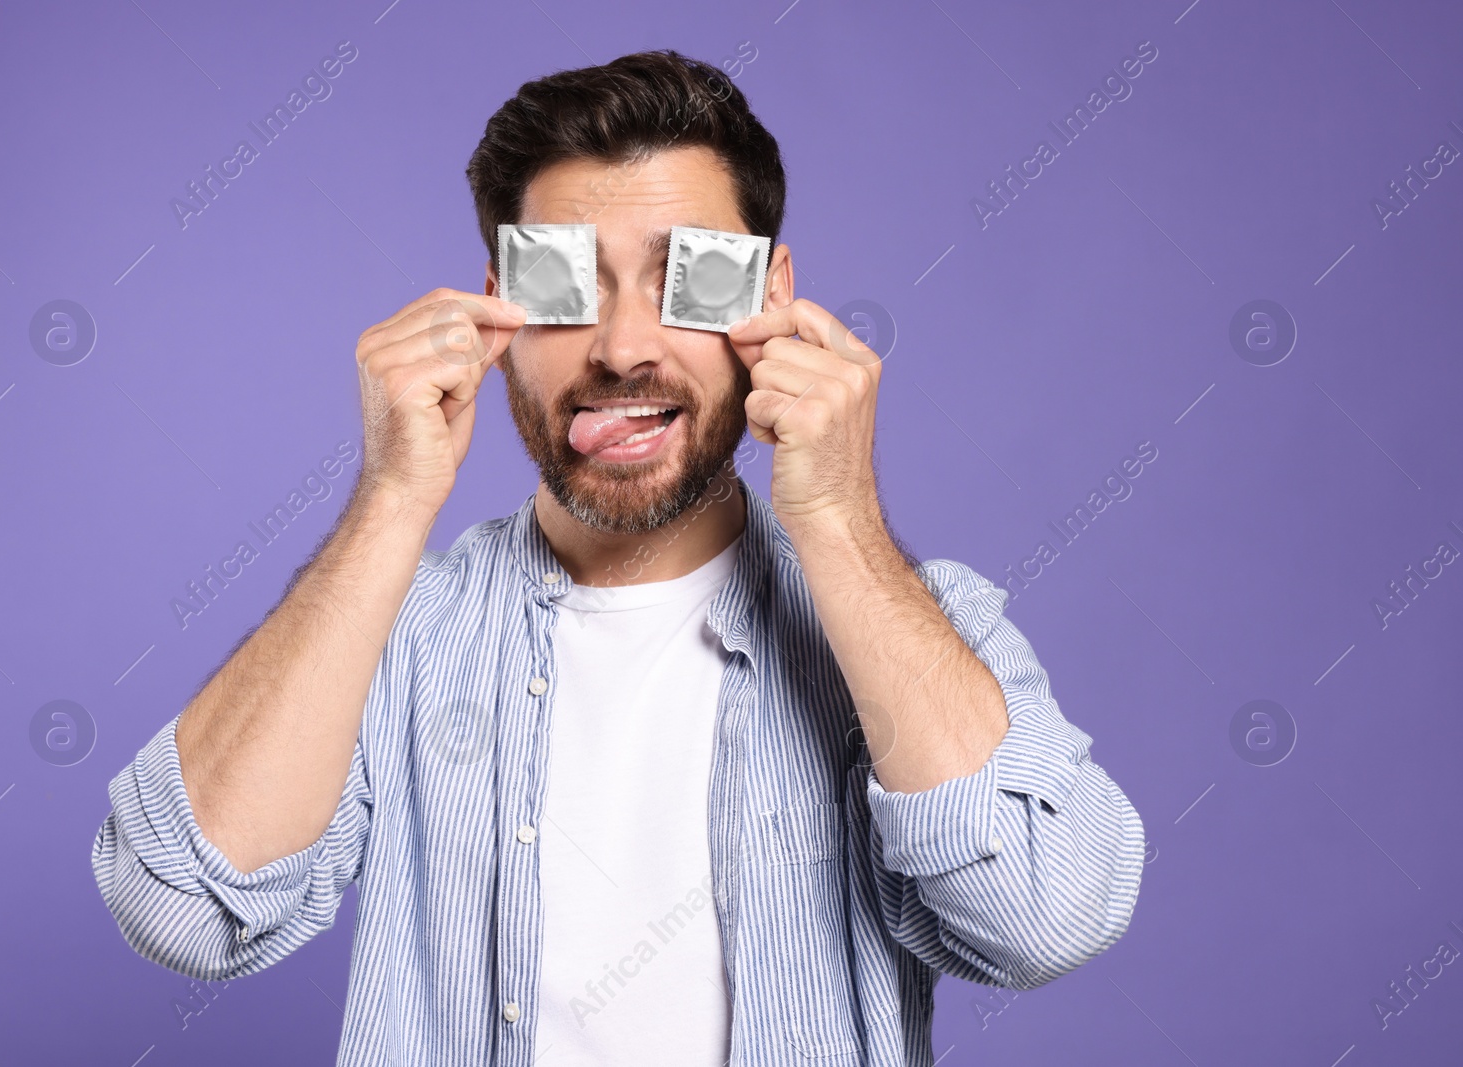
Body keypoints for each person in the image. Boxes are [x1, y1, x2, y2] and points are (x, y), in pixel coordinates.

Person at [91, 49, 1145, 1067]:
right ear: (499, 300)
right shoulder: (395, 629)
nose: (623, 346)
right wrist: (388, 503)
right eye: (568, 283)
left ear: (772, 297)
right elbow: (180, 905)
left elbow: (1042, 920)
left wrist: (837, 518)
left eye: (685, 279)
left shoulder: (920, 620)